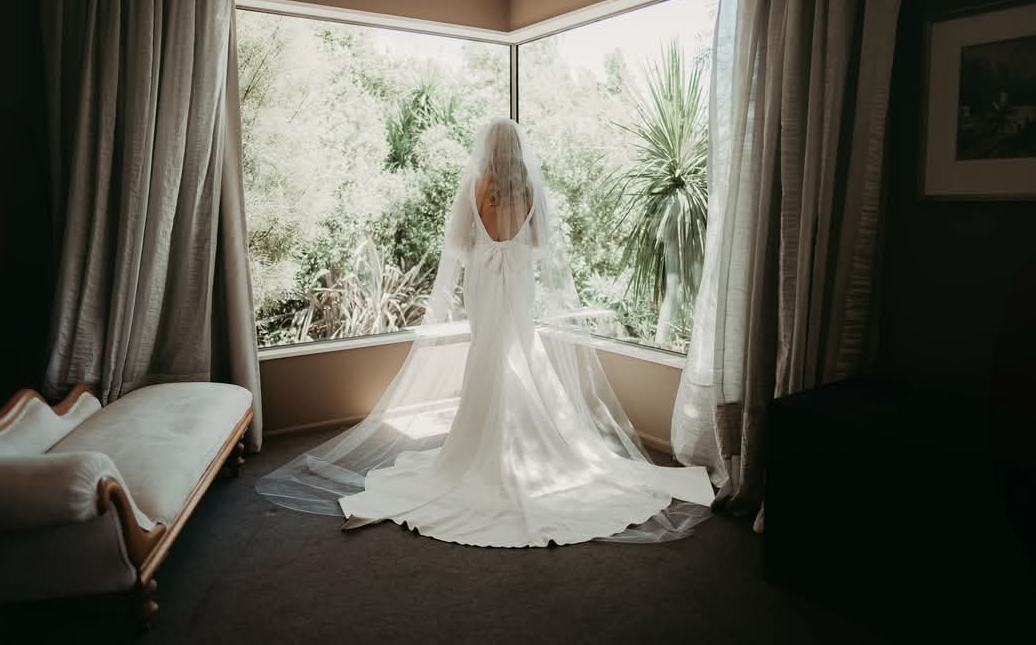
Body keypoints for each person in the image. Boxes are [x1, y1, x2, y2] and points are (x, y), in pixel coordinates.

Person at [256, 117, 713, 547]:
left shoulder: (476, 187)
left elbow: (458, 244)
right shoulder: (529, 189)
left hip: (484, 285)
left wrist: (488, 240)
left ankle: (479, 446)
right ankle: (530, 443)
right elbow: (540, 243)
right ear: (518, 151)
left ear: (487, 150)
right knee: (521, 351)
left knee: (486, 355)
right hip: (517, 283)